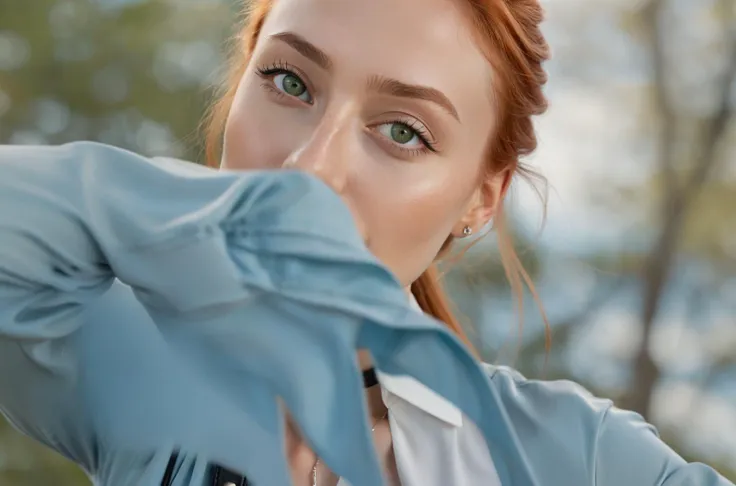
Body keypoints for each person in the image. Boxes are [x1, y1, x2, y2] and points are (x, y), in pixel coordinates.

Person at [0, 0, 732, 485]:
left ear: (479, 199)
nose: (312, 167)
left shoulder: (568, 456)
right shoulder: (146, 369)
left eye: (404, 132)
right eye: (288, 82)